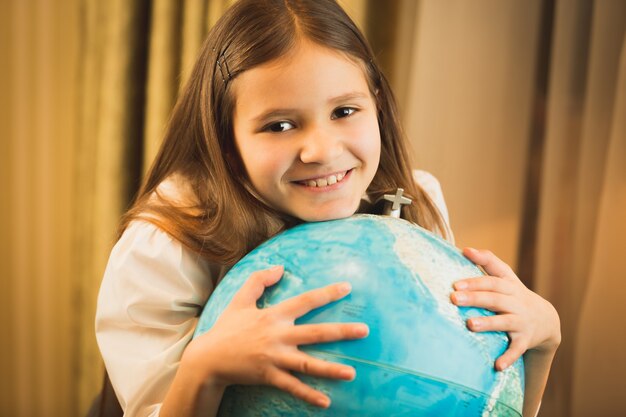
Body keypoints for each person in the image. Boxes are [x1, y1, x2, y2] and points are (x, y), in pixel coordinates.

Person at [95, 0, 561, 416]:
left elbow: (473, 394)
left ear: (376, 104)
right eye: (279, 125)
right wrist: (204, 369)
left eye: (344, 112)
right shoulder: (169, 240)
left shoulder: (417, 201)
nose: (320, 150)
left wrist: (542, 342)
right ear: (226, 141)